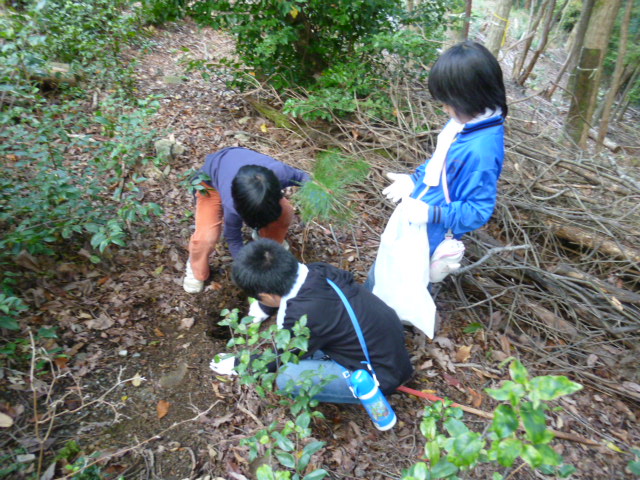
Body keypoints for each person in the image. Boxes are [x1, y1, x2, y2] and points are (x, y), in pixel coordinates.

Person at [368, 40, 507, 290]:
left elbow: (479, 210)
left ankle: (386, 322)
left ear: (471, 95)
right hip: (418, 217)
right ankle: (372, 306)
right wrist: (414, 179)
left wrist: (432, 214)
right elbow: (441, 163)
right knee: (385, 275)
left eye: (448, 102)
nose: (445, 109)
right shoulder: (466, 122)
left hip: (432, 234)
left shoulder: (482, 150)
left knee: (407, 288)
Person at [210, 239, 414, 403]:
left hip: (380, 375)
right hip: (386, 346)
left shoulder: (304, 315)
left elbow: (282, 356)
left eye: (258, 297)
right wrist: (264, 307)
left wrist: (239, 364)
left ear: (268, 293)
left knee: (287, 377)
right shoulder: (318, 270)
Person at [183, 147, 310, 294]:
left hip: (246, 179)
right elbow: (233, 238)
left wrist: (319, 196)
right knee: (206, 237)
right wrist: (247, 268)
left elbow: (303, 177)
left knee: (285, 212)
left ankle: (271, 245)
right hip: (211, 181)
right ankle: (196, 268)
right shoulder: (233, 203)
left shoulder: (279, 173)